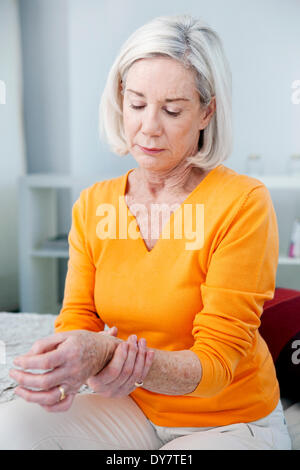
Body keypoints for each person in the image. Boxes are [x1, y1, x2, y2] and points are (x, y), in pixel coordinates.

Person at [1, 14, 292, 450]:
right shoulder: (95, 204)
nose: (148, 127)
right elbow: (79, 317)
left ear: (206, 112)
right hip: (134, 408)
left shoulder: (243, 202)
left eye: (172, 110)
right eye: (136, 104)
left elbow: (216, 365)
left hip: (227, 420)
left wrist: (107, 355)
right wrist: (64, 363)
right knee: (14, 427)